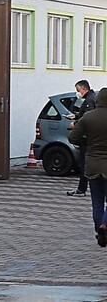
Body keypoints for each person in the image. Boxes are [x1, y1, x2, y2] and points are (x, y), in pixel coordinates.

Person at [68, 87, 107, 247]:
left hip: (92, 164)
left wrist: (87, 142)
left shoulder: (87, 117)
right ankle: (105, 223)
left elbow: (72, 137)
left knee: (97, 202)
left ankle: (100, 231)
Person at [65, 80, 97, 197]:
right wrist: (77, 116)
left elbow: (89, 117)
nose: (77, 93)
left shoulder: (89, 100)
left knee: (84, 164)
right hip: (90, 138)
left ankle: (81, 189)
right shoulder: (92, 98)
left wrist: (76, 123)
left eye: (78, 90)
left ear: (84, 89)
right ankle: (81, 189)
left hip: (86, 138)